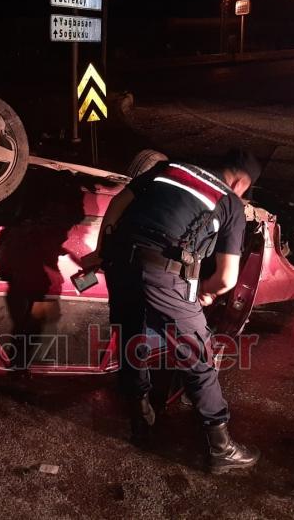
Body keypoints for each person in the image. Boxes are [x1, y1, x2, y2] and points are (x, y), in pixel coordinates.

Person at [82, 149, 261, 473]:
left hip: (121, 262)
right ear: (240, 182)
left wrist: (102, 250)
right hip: (164, 275)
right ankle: (221, 450)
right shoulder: (230, 202)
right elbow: (227, 278)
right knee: (198, 357)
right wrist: (205, 292)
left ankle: (141, 420)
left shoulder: (171, 167)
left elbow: (119, 202)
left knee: (130, 337)